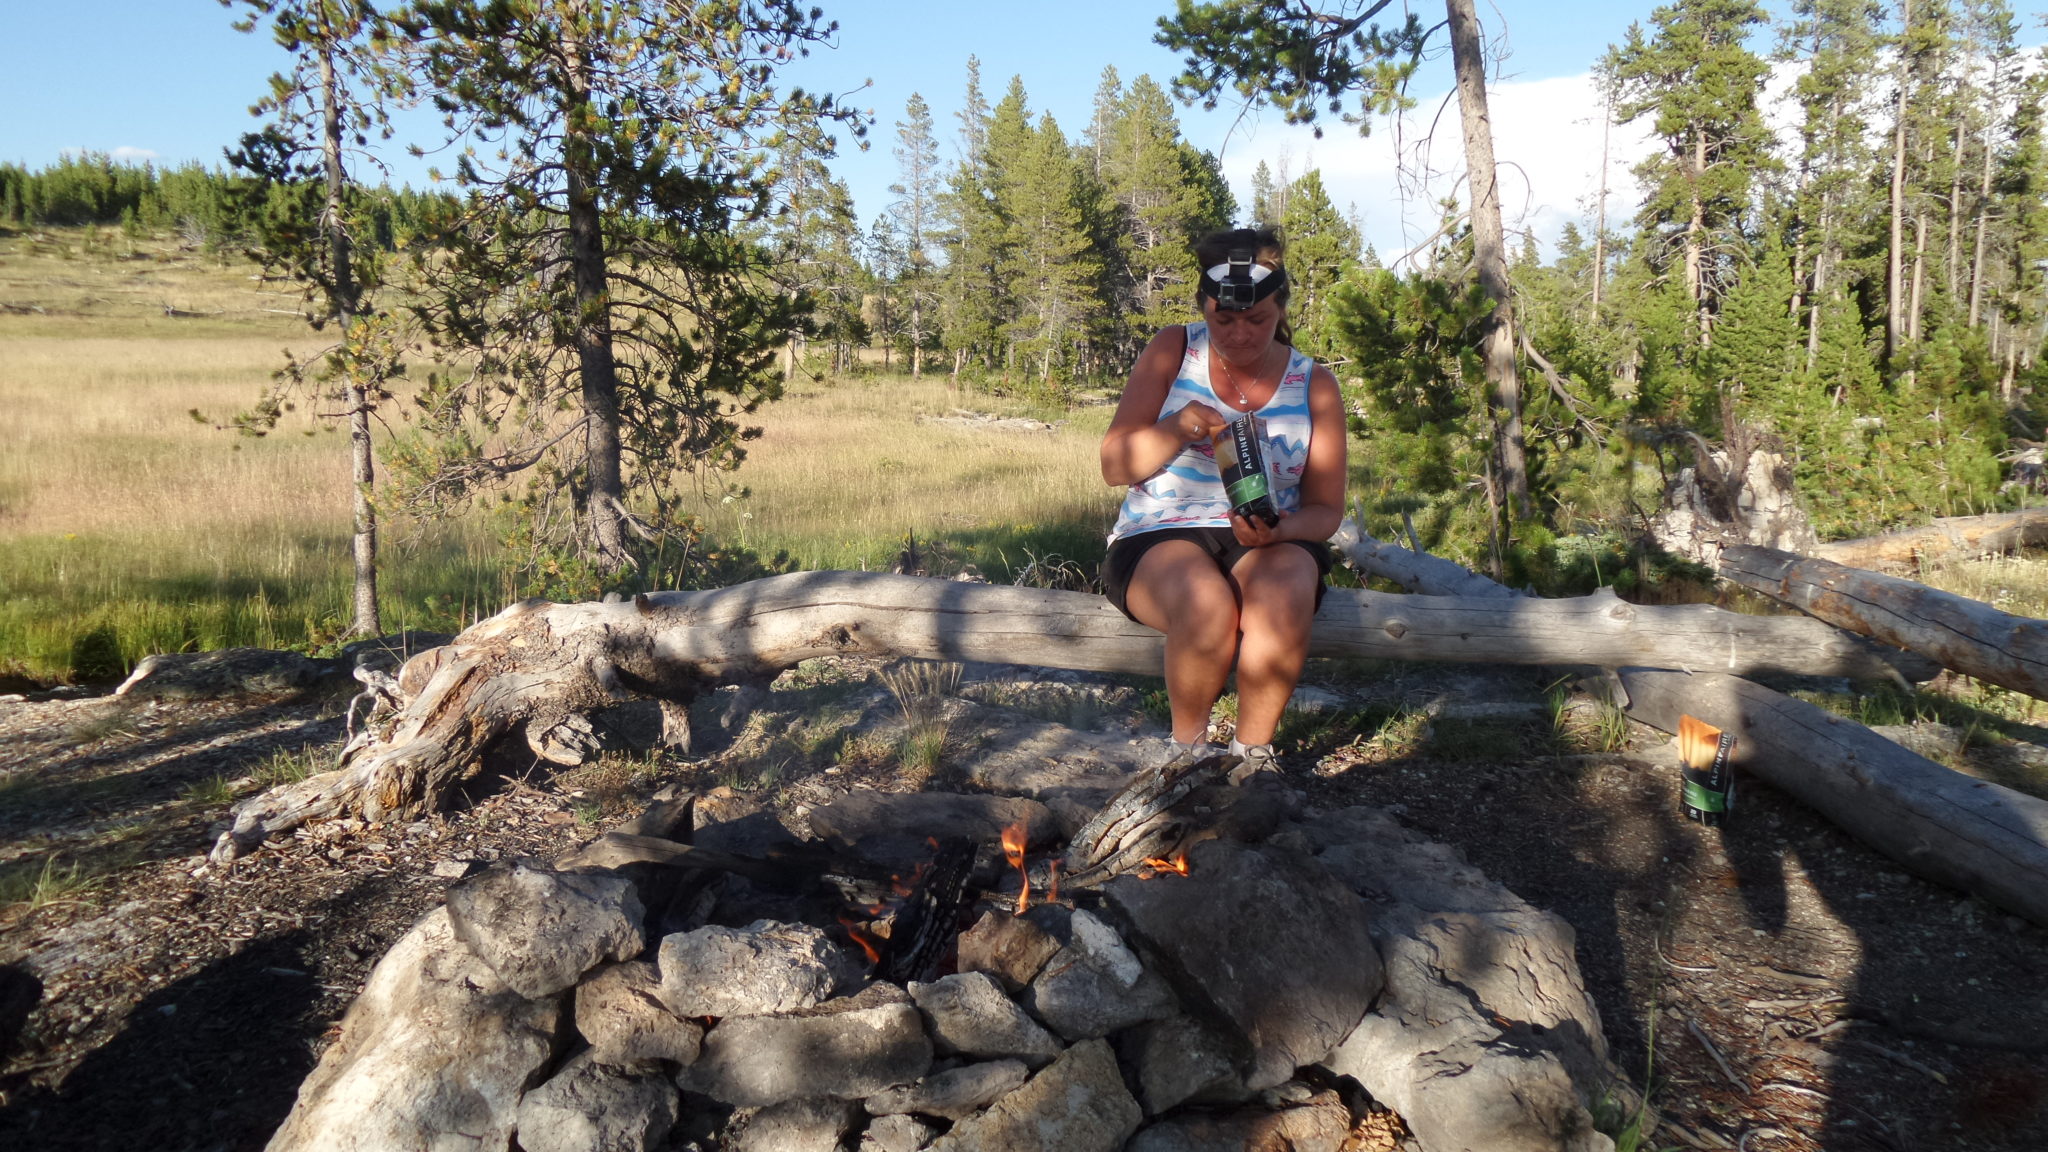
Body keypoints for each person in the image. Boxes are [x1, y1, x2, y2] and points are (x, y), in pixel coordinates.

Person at [1099, 227, 1347, 778]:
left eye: (1256, 320)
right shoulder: (1174, 349)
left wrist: (1280, 531)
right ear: (1203, 307)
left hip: (1267, 534)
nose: (1239, 334)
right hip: (1158, 531)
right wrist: (1177, 427)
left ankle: (1251, 760)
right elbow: (1115, 466)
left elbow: (1326, 510)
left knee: (1285, 592)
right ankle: (1185, 758)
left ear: (1281, 307)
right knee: (1205, 604)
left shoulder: (1315, 384)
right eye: (1223, 320)